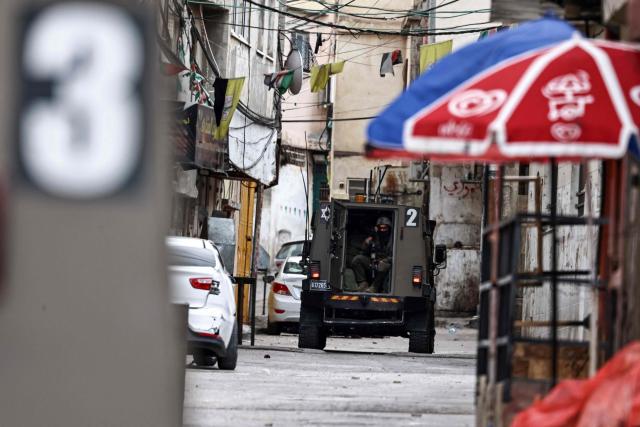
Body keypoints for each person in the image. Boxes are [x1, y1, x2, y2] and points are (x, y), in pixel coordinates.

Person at [351, 216, 393, 293]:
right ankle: (363, 284)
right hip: (373, 261)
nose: (383, 230)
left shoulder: (393, 239)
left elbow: (394, 257)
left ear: (389, 228)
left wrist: (384, 260)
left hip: (386, 264)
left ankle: (374, 287)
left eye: (385, 228)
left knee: (382, 266)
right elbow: (364, 253)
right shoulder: (374, 236)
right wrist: (366, 244)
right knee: (357, 260)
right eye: (381, 228)